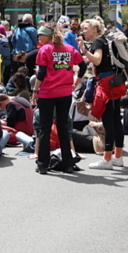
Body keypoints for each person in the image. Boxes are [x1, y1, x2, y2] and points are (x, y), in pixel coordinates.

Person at [30, 25, 85, 174]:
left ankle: (42, 164)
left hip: (47, 93)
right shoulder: (69, 49)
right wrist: (76, 82)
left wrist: (35, 91)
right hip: (65, 93)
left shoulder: (45, 50)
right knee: (63, 127)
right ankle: (67, 163)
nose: (39, 38)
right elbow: (83, 66)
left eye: (42, 35)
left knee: (45, 128)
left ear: (48, 36)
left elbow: (41, 73)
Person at [79, 19, 126, 170]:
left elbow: (98, 61)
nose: (83, 31)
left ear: (94, 28)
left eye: (85, 28)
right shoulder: (105, 40)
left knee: (108, 122)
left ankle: (107, 159)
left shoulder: (98, 42)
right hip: (115, 81)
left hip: (106, 85)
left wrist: (84, 51)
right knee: (116, 121)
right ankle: (118, 156)